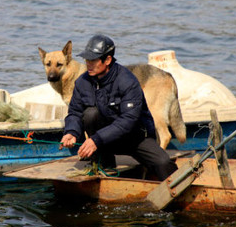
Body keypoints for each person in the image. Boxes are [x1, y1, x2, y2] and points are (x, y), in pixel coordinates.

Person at [59, 35, 178, 180]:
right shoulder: (82, 82)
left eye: (93, 60)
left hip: (135, 138)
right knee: (90, 114)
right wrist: (71, 132)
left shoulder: (127, 81)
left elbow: (128, 121)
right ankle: (104, 162)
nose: (88, 64)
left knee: (163, 162)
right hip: (103, 142)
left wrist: (96, 140)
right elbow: (75, 113)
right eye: (86, 60)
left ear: (107, 60)